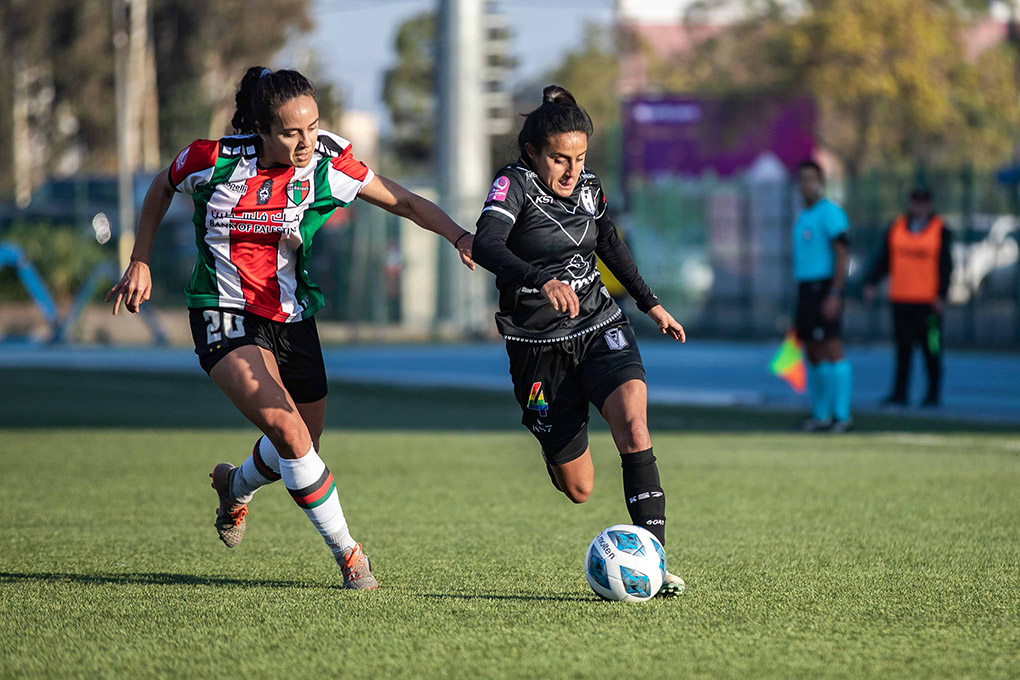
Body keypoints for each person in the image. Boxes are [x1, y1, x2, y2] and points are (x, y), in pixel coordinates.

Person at [105, 67, 475, 590]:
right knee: (289, 431)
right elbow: (162, 186)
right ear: (260, 128)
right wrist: (139, 258)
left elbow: (406, 201)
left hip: (292, 317)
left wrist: (459, 235)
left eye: (313, 126)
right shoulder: (212, 160)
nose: (306, 142)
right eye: (290, 132)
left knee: (302, 445)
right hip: (223, 309)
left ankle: (234, 485)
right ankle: (351, 557)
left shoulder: (329, 162)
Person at [472, 85, 687, 597]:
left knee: (634, 424)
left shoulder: (588, 187)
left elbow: (608, 240)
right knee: (580, 488)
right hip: (536, 346)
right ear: (533, 152)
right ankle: (555, 448)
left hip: (598, 323)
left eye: (580, 158)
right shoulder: (514, 185)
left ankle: (654, 561)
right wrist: (540, 280)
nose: (571, 172)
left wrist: (649, 302)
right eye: (559, 159)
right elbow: (485, 243)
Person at [863, 188, 953, 407]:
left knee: (931, 348)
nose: (919, 207)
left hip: (928, 304)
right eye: (916, 202)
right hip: (902, 299)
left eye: (923, 202)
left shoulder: (939, 229)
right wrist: (872, 282)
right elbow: (884, 258)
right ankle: (899, 393)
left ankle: (933, 393)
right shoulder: (897, 227)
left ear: (929, 204)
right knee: (903, 350)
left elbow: (946, 266)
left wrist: (942, 295)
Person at [791, 160, 853, 433]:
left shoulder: (830, 212)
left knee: (831, 346)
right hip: (805, 288)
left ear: (821, 182)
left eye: (811, 179)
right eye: (802, 179)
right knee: (812, 350)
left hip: (824, 287)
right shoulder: (804, 215)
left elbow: (842, 252)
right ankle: (821, 414)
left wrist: (835, 292)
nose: (806, 184)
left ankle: (842, 415)